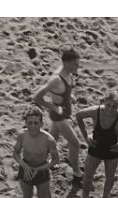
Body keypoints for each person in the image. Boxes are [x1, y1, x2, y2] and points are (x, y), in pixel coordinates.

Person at [32, 46, 83, 179]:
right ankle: (76, 172)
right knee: (75, 143)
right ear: (67, 62)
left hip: (63, 113)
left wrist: (70, 97)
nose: (78, 66)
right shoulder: (56, 79)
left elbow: (63, 91)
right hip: (59, 116)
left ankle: (40, 160)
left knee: (52, 139)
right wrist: (52, 106)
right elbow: (37, 96)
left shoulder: (68, 74)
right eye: (75, 64)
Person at [13, 107, 60, 198]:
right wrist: (24, 165)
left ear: (41, 124)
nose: (32, 126)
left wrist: (40, 169)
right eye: (29, 123)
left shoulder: (48, 139)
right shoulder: (22, 135)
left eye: (36, 123)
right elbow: (15, 153)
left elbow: (56, 159)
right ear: (26, 123)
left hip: (41, 170)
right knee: (26, 197)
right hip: (26, 168)